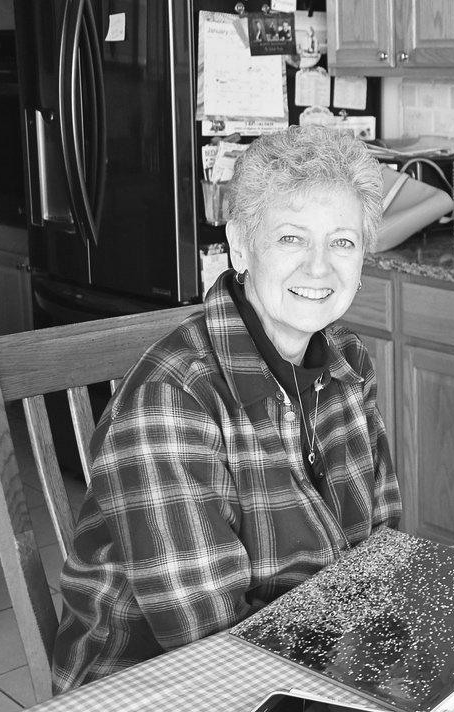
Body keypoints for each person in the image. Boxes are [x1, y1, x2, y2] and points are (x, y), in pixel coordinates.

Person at [52, 126, 401, 690]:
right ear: (240, 245)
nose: (320, 268)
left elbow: (379, 544)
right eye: (291, 238)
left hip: (317, 656)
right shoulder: (172, 399)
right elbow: (206, 638)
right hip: (156, 685)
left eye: (342, 242)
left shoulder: (347, 361)